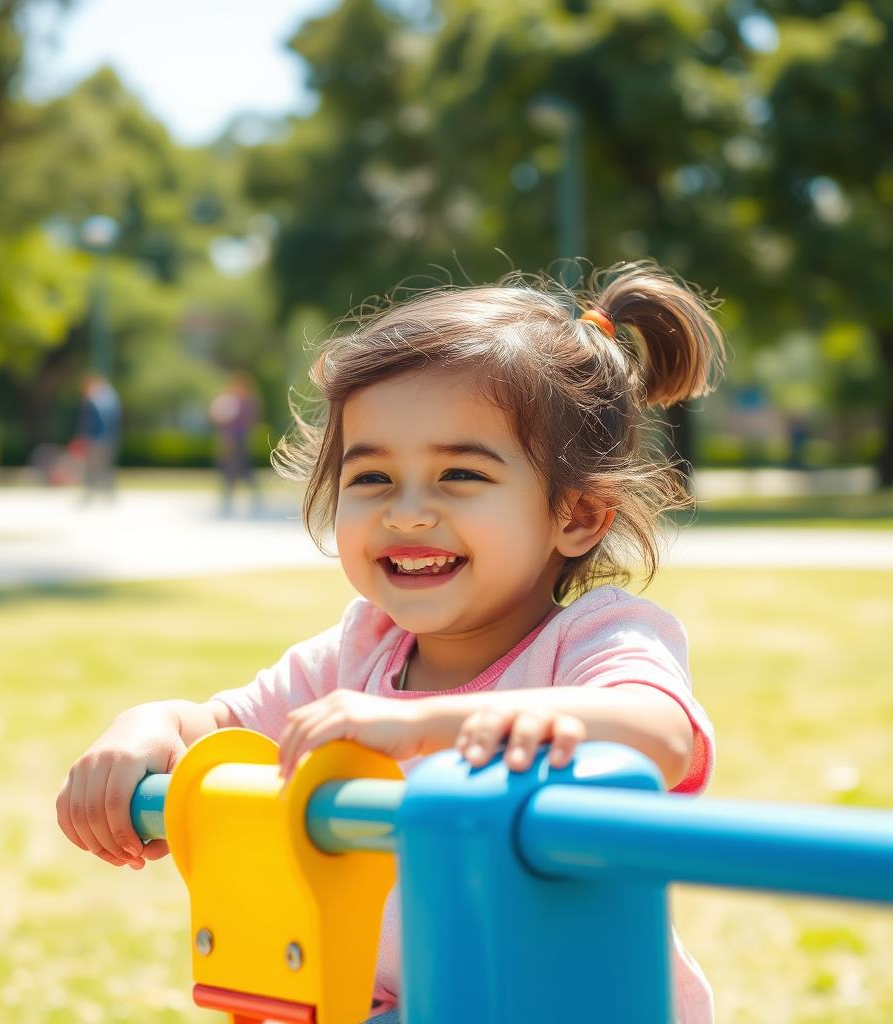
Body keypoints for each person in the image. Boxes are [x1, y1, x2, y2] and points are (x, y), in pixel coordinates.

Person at [57, 262, 726, 1023]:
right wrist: (145, 724)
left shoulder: (593, 640)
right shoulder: (361, 651)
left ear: (575, 515)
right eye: (371, 478)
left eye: (460, 474)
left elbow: (662, 733)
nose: (407, 513)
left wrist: (426, 725)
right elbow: (219, 729)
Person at [208, 371, 262, 515]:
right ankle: (227, 498)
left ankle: (254, 496)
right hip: (229, 439)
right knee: (227, 469)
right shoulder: (230, 400)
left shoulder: (247, 403)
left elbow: (250, 421)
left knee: (242, 468)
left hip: (240, 440)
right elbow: (219, 420)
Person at [73, 373, 121, 499]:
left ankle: (91, 493)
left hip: (95, 440)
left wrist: (84, 437)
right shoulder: (110, 400)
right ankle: (108, 493)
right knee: (105, 468)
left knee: (92, 468)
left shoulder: (94, 401)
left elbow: (88, 423)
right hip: (108, 439)